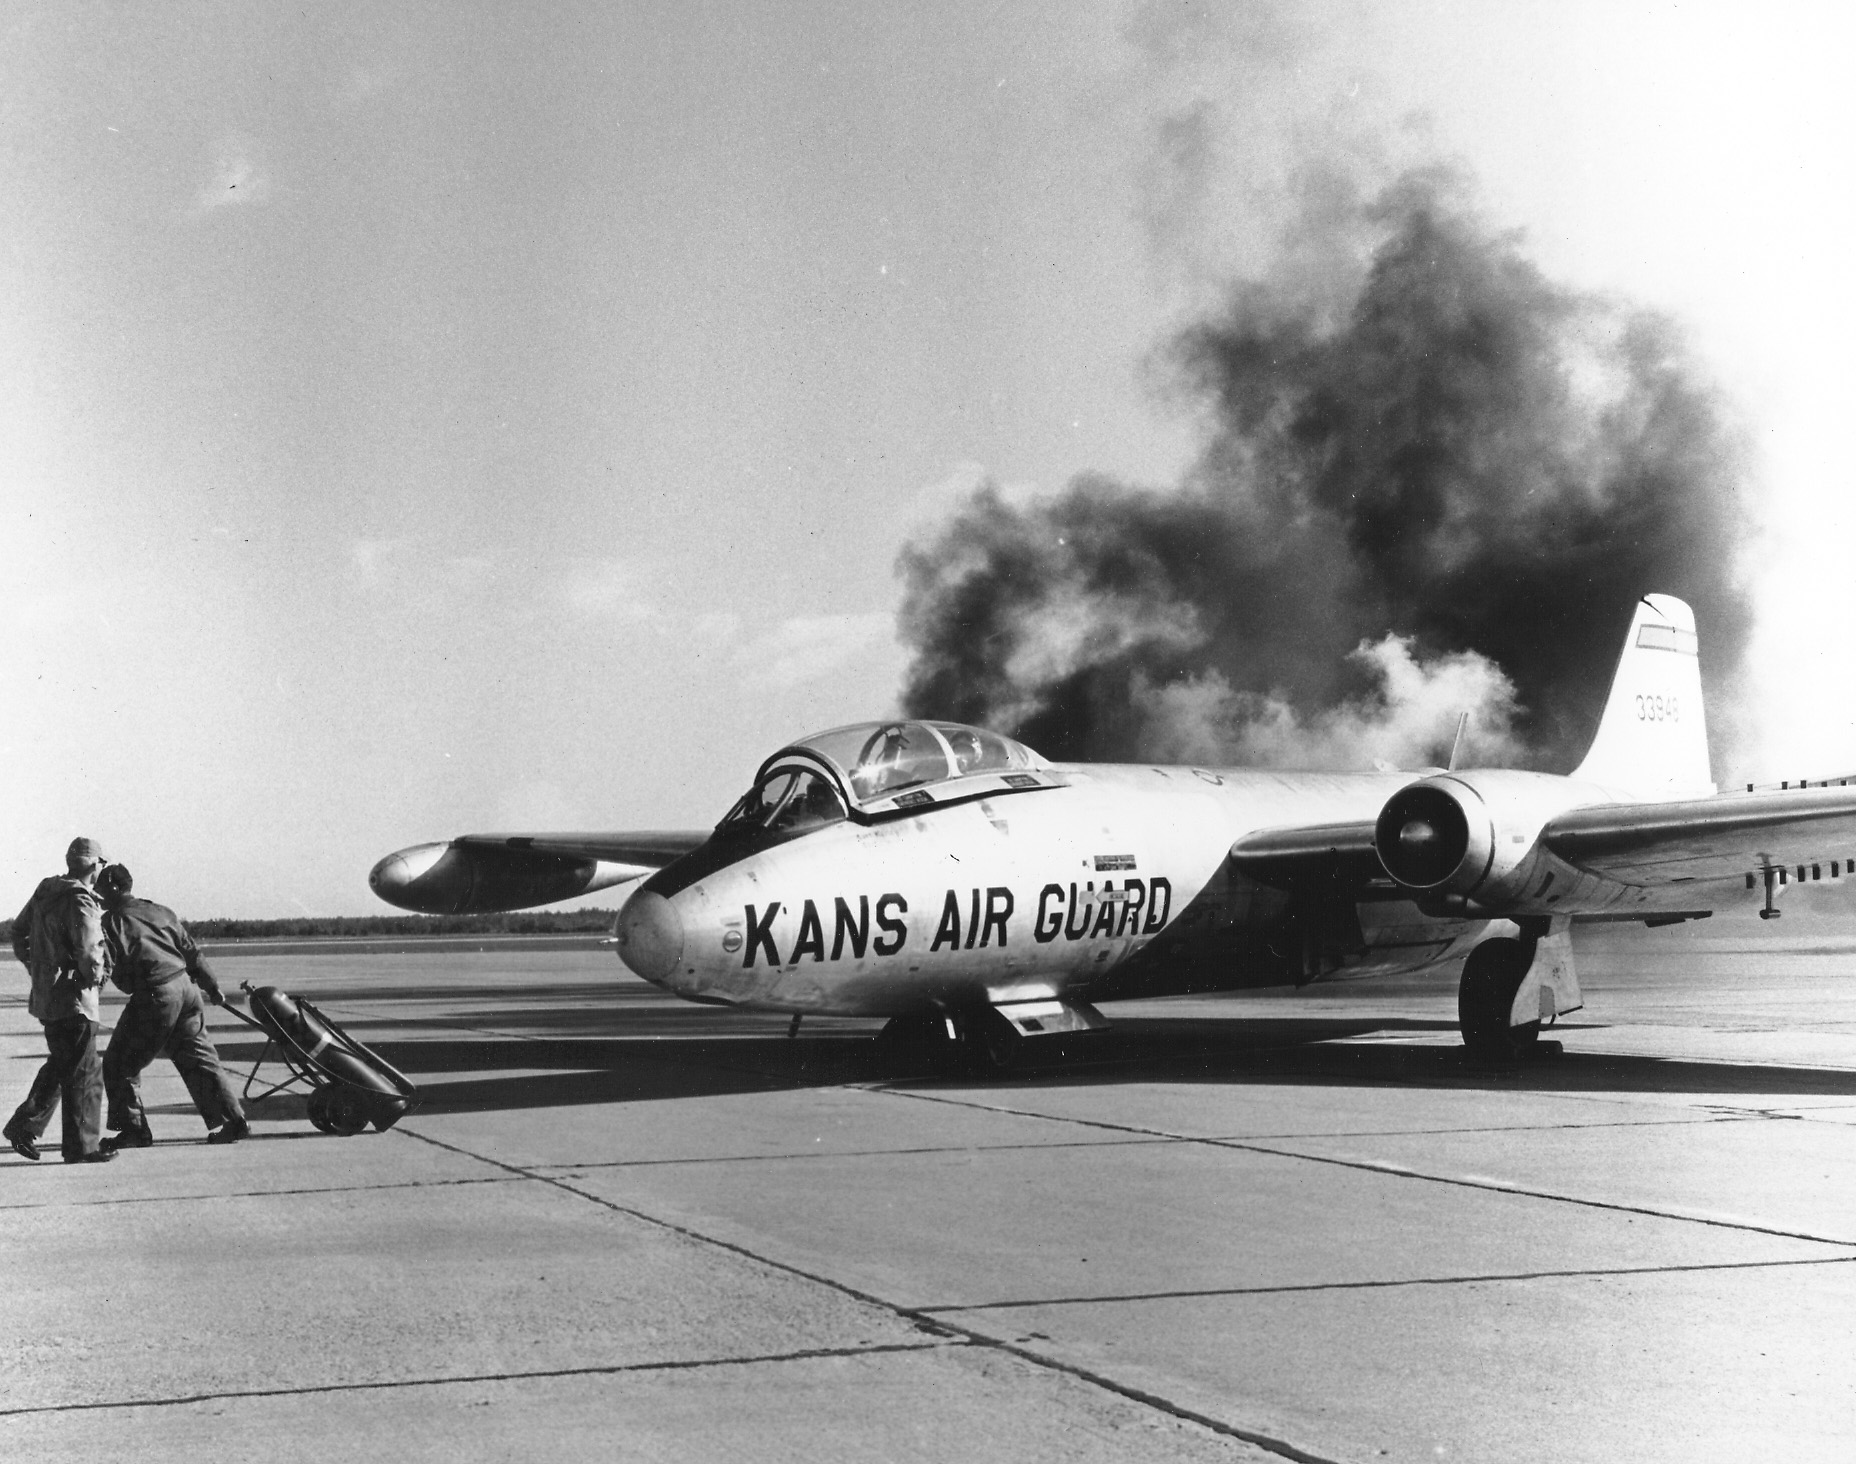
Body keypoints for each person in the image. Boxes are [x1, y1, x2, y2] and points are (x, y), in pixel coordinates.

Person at [96, 864, 249, 1149]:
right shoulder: (161, 911)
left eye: (101, 890)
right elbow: (191, 949)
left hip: (156, 996)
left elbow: (118, 974)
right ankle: (234, 1121)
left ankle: (134, 1130)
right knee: (201, 1060)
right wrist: (211, 985)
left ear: (114, 889)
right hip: (187, 990)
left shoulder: (111, 923)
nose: (98, 895)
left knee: (118, 1064)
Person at [4, 838, 117, 1163]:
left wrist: (38, 968)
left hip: (48, 997)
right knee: (85, 1072)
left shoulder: (46, 891)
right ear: (95, 866)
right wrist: (94, 978)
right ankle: (82, 1148)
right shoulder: (81, 899)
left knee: (64, 1062)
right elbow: (89, 950)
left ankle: (25, 1125)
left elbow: (18, 931)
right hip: (75, 999)